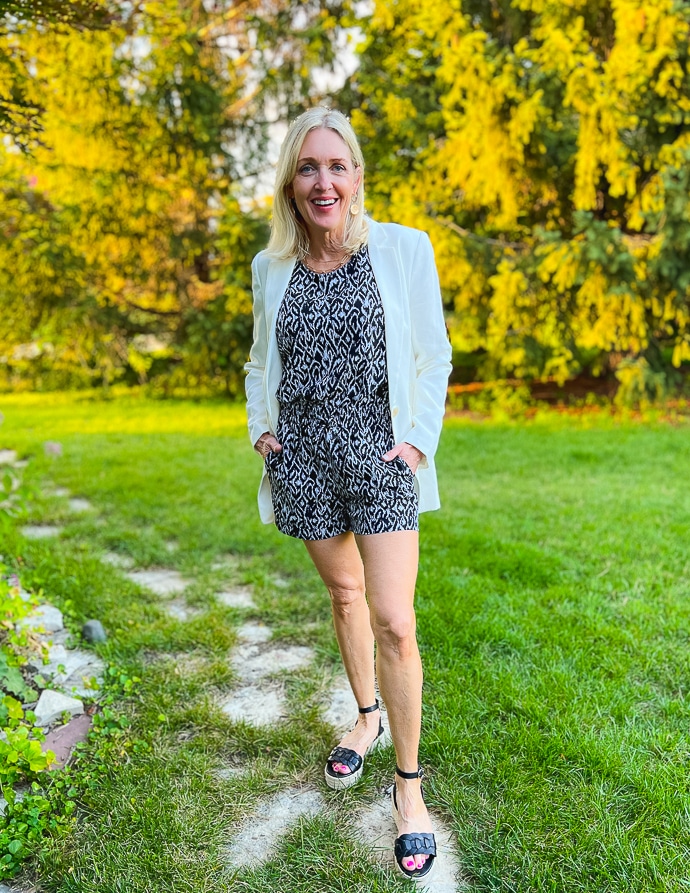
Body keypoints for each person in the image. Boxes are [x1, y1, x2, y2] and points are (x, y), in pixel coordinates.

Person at [244, 107, 452, 881]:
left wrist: (419, 440)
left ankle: (408, 786)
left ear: (357, 175)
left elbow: (432, 355)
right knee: (343, 596)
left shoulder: (402, 250)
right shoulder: (273, 267)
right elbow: (258, 360)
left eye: (336, 165)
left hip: (382, 459)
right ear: (291, 185)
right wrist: (261, 428)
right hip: (304, 460)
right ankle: (363, 717)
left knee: (395, 619)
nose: (323, 180)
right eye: (307, 167)